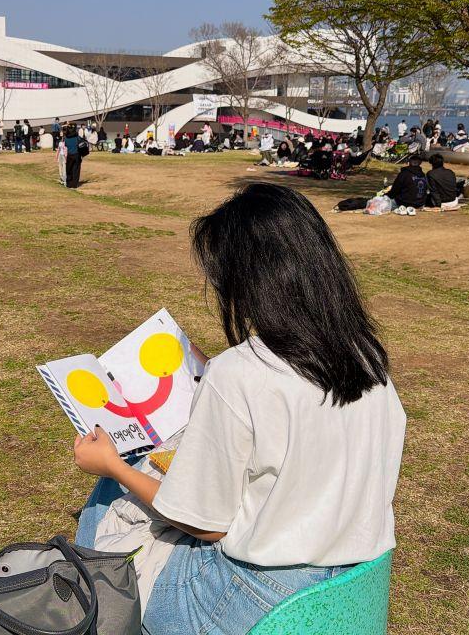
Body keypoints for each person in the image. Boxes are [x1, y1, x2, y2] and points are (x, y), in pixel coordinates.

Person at [72, 183, 404, 634]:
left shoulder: (240, 374)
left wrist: (112, 466)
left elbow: (203, 525)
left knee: (106, 502)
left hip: (256, 600)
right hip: (353, 584)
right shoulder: (366, 356)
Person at [63, 125, 85, 189]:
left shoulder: (66, 138)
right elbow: (81, 144)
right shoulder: (77, 138)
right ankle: (75, 184)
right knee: (76, 170)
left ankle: (69, 184)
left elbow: (66, 145)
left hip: (69, 155)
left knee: (69, 170)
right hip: (77, 155)